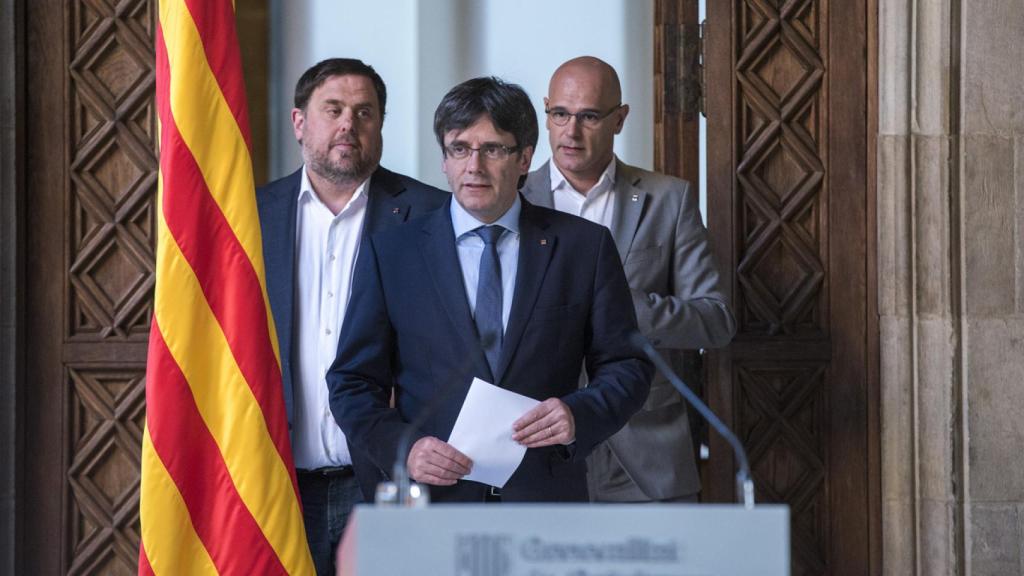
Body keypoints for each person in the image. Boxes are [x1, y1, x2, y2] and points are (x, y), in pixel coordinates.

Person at [326, 76, 653, 503]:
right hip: (432, 500)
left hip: (543, 495)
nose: (473, 166)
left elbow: (628, 366)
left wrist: (579, 414)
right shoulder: (393, 252)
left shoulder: (583, 248)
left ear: (525, 158)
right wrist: (404, 448)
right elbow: (352, 382)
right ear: (444, 158)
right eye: (459, 148)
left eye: (493, 149)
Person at [256, 58, 447, 575]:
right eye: (333, 109)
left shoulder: (432, 215)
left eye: (364, 112)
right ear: (300, 121)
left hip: (389, 481)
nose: (349, 124)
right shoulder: (253, 217)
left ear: (380, 124)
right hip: (276, 483)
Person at [522, 56, 736, 503]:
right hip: (536, 449)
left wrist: (622, 304)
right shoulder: (515, 200)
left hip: (646, 453)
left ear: (620, 119)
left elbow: (715, 321)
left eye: (589, 116)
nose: (570, 131)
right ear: (546, 111)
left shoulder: (669, 199)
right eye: (559, 114)